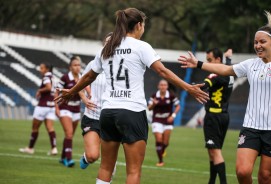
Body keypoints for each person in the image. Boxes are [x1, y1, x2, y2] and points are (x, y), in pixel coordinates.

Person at [55, 8, 208, 184]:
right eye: (144, 25)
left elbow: (89, 75)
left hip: (108, 112)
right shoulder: (141, 47)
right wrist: (188, 88)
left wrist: (72, 92)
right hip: (132, 112)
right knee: (133, 171)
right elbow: (162, 71)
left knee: (105, 167)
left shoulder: (108, 48)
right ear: (138, 25)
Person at [179, 11, 271, 184]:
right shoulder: (250, 65)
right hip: (251, 127)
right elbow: (226, 70)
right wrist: (198, 64)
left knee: (265, 177)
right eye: (255, 42)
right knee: (242, 171)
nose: (258, 45)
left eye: (262, 42)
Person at [79, 32, 113, 170]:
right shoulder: (94, 64)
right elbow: (79, 85)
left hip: (112, 118)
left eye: (113, 42)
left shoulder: (122, 67)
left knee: (109, 160)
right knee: (93, 156)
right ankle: (86, 157)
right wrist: (84, 99)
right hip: (92, 116)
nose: (109, 44)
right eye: (107, 42)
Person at [200, 48, 234, 184]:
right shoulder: (230, 73)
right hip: (224, 116)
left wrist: (187, 86)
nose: (207, 63)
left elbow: (203, 86)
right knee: (213, 151)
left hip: (213, 117)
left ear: (218, 60)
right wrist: (228, 59)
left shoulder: (214, 75)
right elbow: (227, 68)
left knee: (215, 152)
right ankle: (211, 181)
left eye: (209, 60)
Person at [19, 63, 57, 155]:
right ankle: (54, 148)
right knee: (50, 128)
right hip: (51, 106)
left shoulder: (46, 77)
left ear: (47, 69)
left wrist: (39, 90)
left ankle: (30, 148)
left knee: (35, 128)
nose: (40, 70)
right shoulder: (53, 77)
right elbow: (54, 90)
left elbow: (48, 87)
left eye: (42, 68)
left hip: (42, 106)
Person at [55, 56, 82, 167]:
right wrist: (56, 108)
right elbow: (56, 92)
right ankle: (69, 159)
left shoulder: (82, 77)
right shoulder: (65, 78)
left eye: (79, 65)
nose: (77, 67)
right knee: (69, 133)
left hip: (76, 109)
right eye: (75, 65)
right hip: (65, 107)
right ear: (70, 67)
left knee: (69, 135)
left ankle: (62, 158)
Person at [148, 79, 180, 167]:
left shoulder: (171, 96)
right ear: (158, 86)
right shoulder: (154, 96)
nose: (163, 86)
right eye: (161, 85)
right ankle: (160, 161)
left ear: (167, 86)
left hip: (168, 121)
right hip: (157, 120)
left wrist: (173, 116)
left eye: (164, 85)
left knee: (165, 143)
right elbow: (149, 108)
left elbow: (178, 106)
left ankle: (162, 149)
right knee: (159, 140)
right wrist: (154, 104)